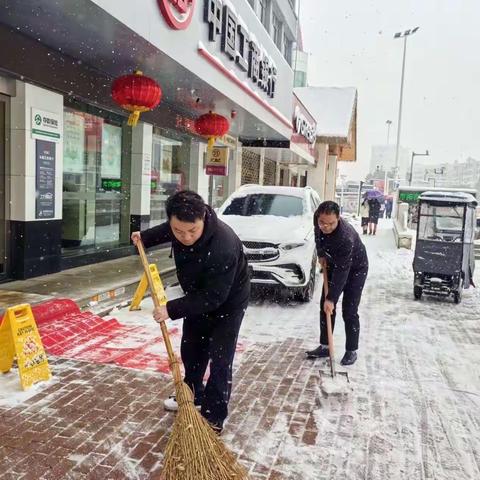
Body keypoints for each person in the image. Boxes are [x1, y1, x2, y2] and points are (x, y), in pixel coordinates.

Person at [131, 190, 250, 434]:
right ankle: (193, 394)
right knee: (192, 347)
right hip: (197, 295)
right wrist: (143, 237)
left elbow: (214, 297)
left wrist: (171, 309)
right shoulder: (180, 223)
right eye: (179, 231)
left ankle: (214, 414)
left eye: (192, 231)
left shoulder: (222, 245)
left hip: (228, 301)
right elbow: (167, 229)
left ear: (203, 218)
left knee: (220, 357)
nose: (185, 237)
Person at [306, 201, 368, 366]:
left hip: (355, 269)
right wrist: (320, 253)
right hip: (334, 263)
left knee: (349, 309)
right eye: (322, 223)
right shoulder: (318, 221)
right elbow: (317, 235)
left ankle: (351, 350)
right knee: (324, 307)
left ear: (338, 218)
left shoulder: (345, 237)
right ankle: (326, 346)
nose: (325, 227)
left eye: (331, 224)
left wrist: (332, 298)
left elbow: (343, 271)